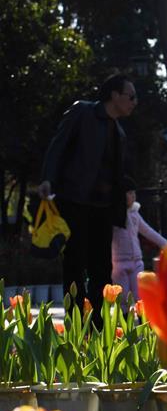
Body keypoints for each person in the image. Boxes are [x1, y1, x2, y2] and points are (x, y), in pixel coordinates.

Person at [40, 73, 135, 312]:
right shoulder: (83, 112)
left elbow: (116, 172)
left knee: (102, 268)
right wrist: (47, 178)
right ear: (114, 95)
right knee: (74, 264)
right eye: (131, 96)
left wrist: (126, 189)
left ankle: (99, 326)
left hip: (103, 209)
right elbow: (58, 144)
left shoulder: (119, 132)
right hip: (74, 201)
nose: (135, 102)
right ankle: (75, 325)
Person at [111, 176, 167, 301]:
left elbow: (148, 231)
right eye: (130, 193)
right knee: (123, 298)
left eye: (134, 193)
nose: (133, 196)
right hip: (119, 263)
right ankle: (125, 318)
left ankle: (141, 318)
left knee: (140, 297)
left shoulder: (135, 213)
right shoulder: (113, 216)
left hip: (137, 261)